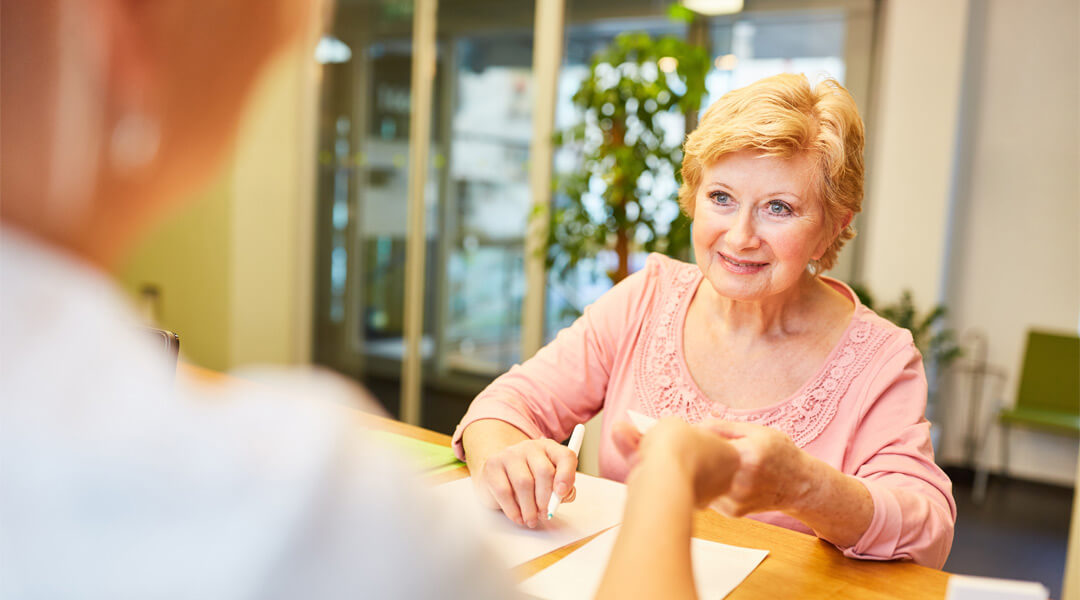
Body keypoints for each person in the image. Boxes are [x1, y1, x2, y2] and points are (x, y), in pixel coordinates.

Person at [0, 0, 741, 598]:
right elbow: (503, 406)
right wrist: (668, 477)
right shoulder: (295, 497)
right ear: (120, 26)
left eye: (781, 207)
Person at [455, 73, 957, 569]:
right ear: (693, 198)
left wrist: (804, 486)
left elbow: (927, 532)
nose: (740, 237)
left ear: (834, 226)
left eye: (778, 208)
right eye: (721, 198)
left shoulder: (881, 358)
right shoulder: (645, 298)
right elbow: (504, 405)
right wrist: (504, 456)